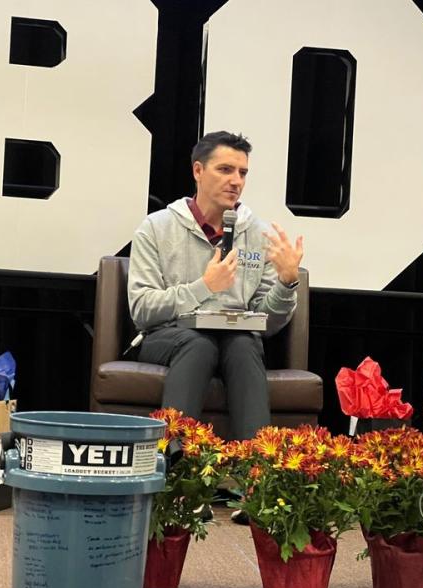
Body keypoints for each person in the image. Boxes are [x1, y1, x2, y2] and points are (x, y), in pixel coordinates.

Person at [128, 131, 304, 441]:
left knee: (245, 343)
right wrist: (204, 287)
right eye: (225, 170)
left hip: (234, 340)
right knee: (199, 343)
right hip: (168, 337)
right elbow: (143, 310)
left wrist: (287, 284)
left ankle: (258, 472)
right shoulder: (156, 228)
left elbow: (268, 323)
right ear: (198, 171)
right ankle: (173, 465)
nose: (236, 180)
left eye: (243, 172)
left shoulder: (258, 234)